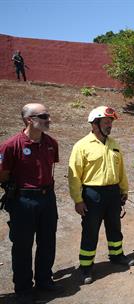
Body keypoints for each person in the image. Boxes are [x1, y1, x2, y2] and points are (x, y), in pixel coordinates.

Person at [68, 106, 134, 285]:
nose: (109, 125)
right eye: (106, 122)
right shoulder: (82, 146)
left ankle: (117, 256)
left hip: (113, 193)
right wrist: (78, 200)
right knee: (90, 231)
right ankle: (86, 266)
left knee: (114, 226)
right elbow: (74, 174)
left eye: (111, 122)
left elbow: (121, 170)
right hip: (92, 194)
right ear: (95, 124)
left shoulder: (114, 144)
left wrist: (124, 190)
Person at [0, 103, 58, 303]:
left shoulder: (51, 143)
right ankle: (23, 288)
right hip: (23, 200)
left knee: (47, 241)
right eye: (43, 116)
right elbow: (3, 174)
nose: (48, 119)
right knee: (23, 245)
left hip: (47, 198)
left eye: (48, 115)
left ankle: (44, 280)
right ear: (28, 120)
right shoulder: (11, 145)